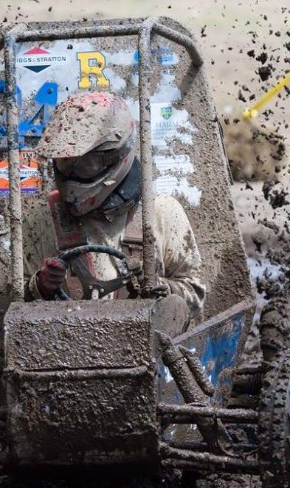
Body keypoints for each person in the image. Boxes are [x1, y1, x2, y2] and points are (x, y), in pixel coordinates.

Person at [24, 92, 204, 331]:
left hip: (147, 350)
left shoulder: (160, 212)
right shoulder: (41, 219)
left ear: (116, 157)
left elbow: (195, 295)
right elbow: (12, 306)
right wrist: (41, 286)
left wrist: (160, 288)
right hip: (64, 349)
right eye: (66, 163)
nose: (73, 174)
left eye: (85, 164)